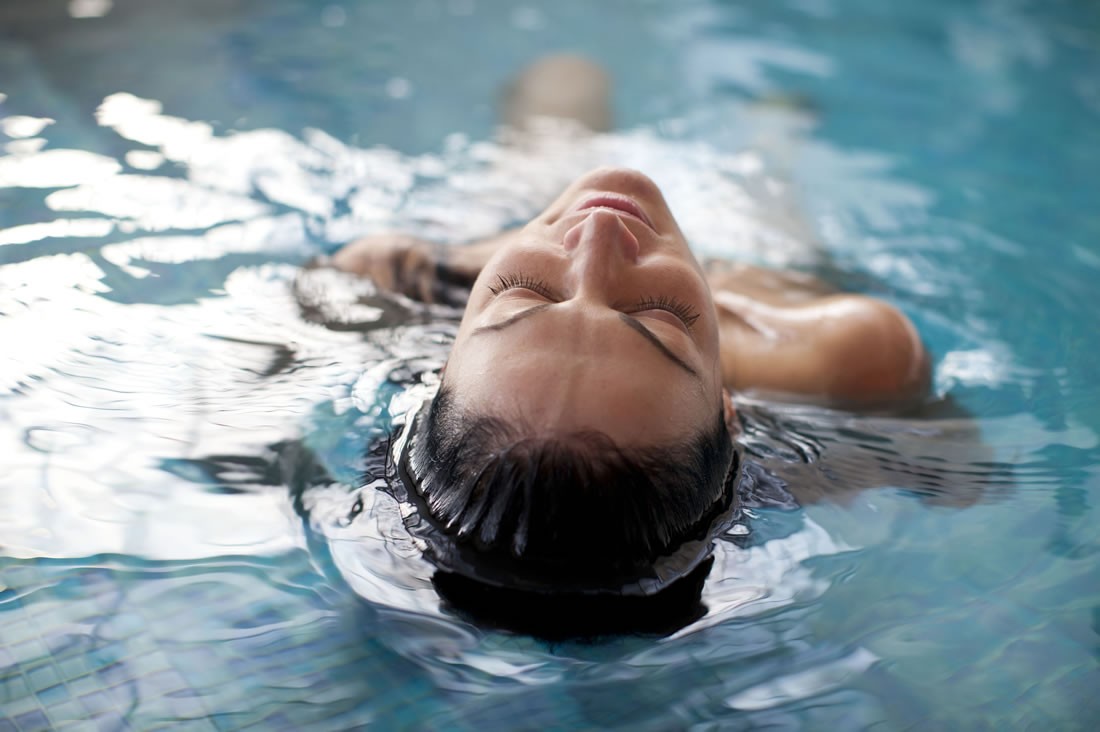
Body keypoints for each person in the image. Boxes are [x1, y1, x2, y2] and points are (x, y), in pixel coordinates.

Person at [308, 56, 930, 619]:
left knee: (564, 81)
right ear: (727, 410)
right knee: (765, 180)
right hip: (756, 278)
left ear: (439, 365)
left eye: (526, 290)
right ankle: (771, 143)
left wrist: (481, 259)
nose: (600, 233)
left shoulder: (394, 285)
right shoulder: (848, 356)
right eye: (659, 314)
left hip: (476, 246)